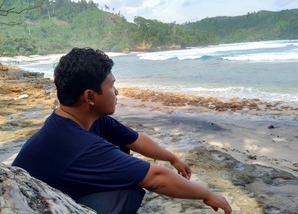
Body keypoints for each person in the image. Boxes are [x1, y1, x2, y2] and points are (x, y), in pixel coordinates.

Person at [12, 47, 232, 214]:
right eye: (111, 85)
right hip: (31, 206)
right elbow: (156, 179)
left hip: (53, 193)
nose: (116, 91)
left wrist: (172, 158)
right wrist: (208, 194)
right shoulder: (76, 143)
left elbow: (136, 140)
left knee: (123, 154)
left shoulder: (84, 119)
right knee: (129, 191)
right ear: (90, 97)